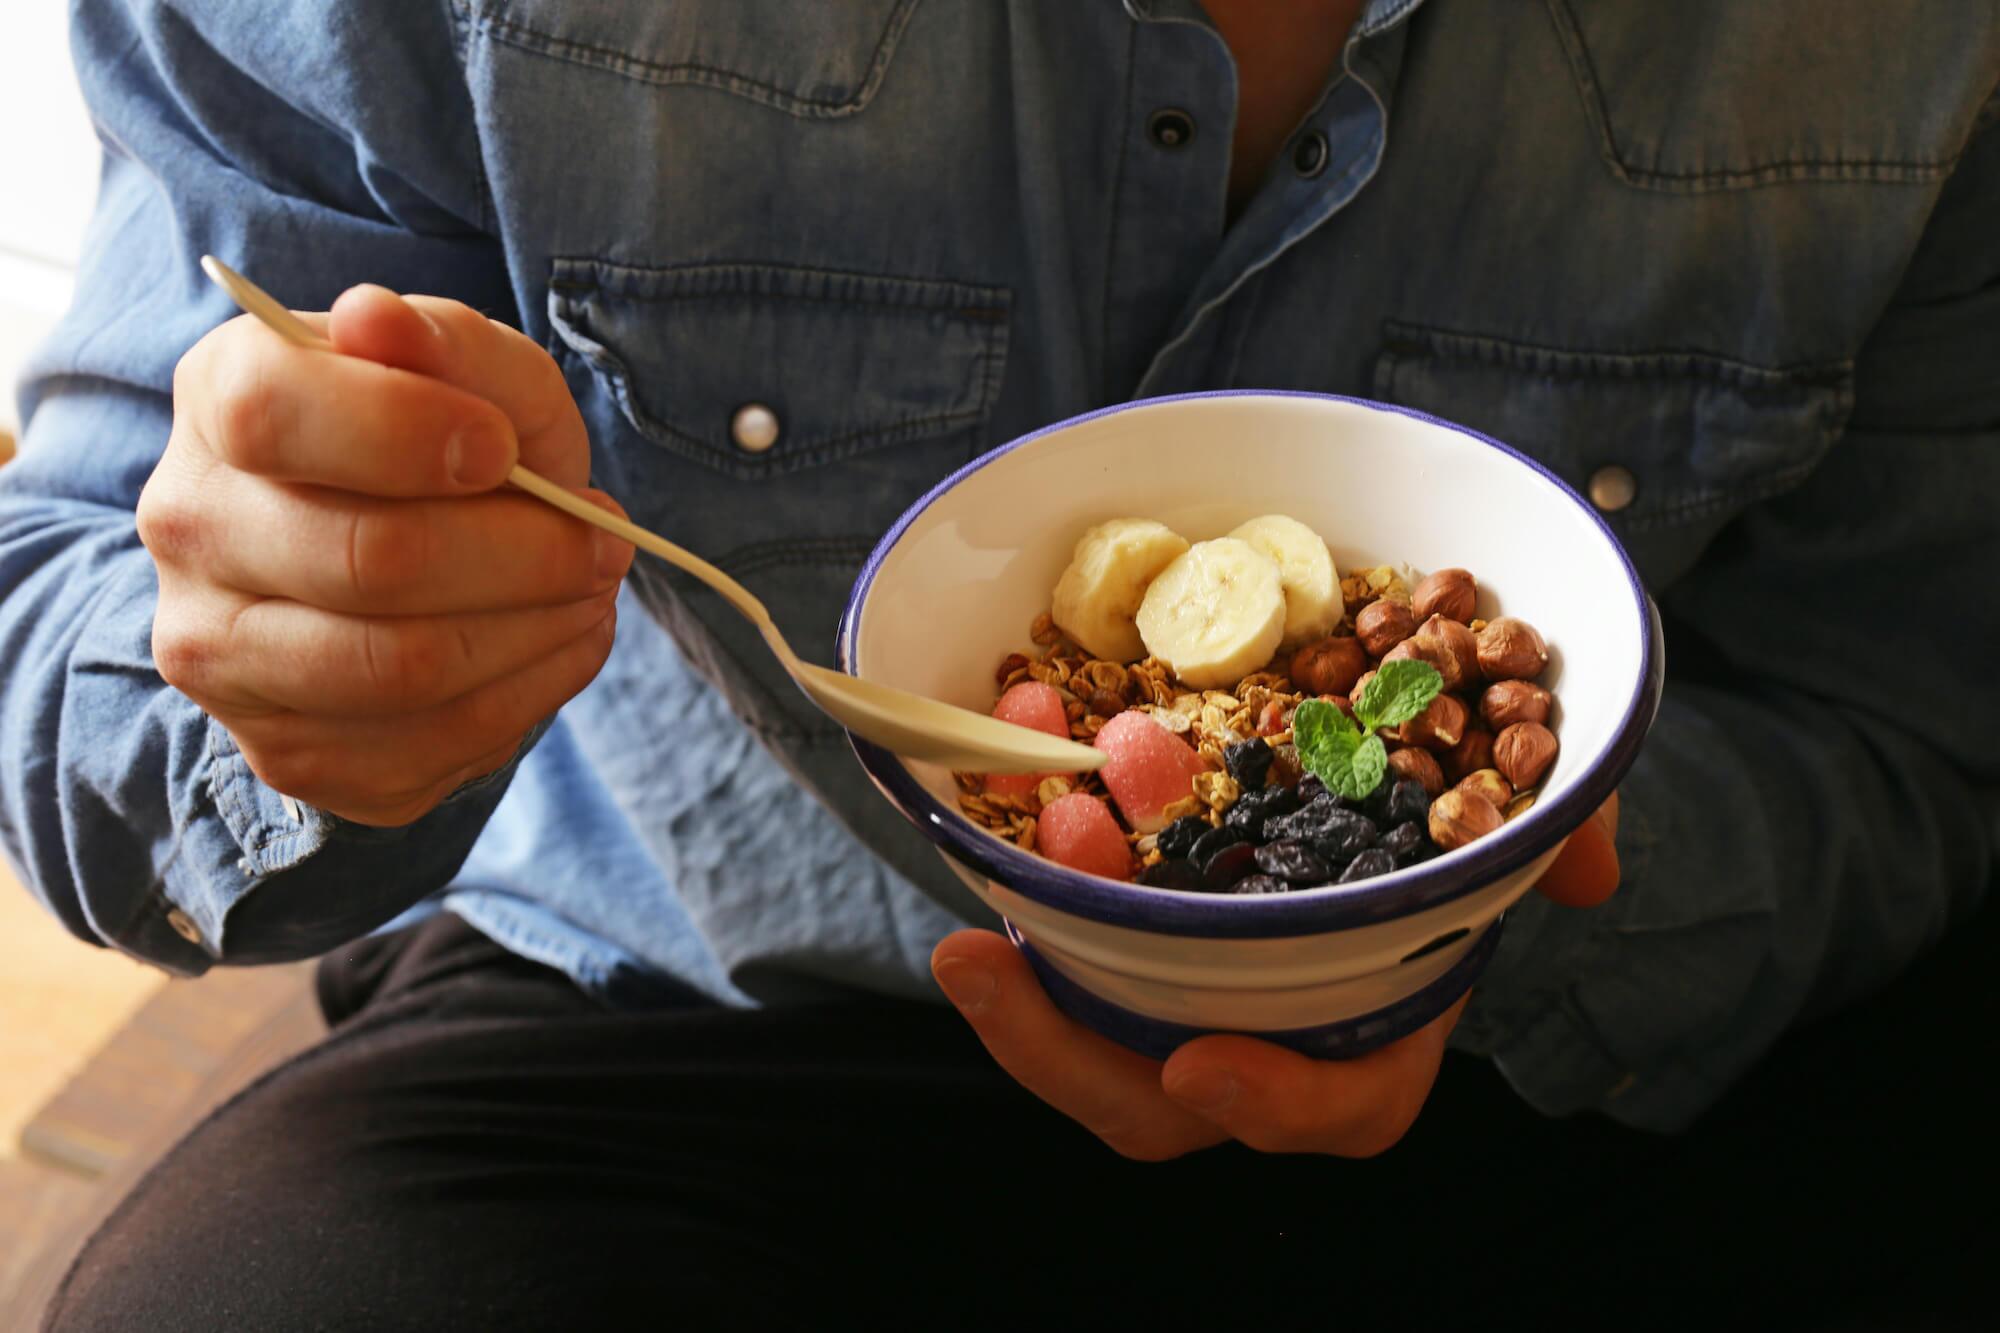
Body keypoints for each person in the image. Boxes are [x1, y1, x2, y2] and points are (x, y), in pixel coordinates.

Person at [2, 0, 1994, 1325]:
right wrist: (299, 663)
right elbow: (62, 625)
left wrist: (1507, 918)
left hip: (1544, 1043)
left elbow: (1909, 726)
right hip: (692, 1023)